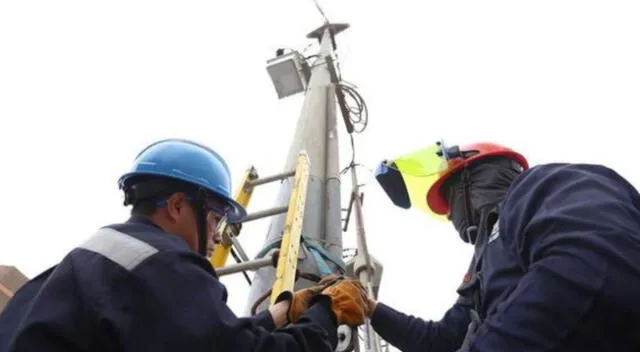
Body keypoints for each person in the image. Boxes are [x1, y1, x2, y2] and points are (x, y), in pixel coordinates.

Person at [0, 138, 369, 351]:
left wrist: (280, 312)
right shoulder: (163, 264)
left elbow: (204, 339)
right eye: (214, 219)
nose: (216, 236)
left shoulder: (93, 262)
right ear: (177, 205)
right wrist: (326, 311)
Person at [371, 140, 640, 351]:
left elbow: (596, 267)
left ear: (470, 182)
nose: (450, 216)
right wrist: (371, 310)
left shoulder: (538, 187)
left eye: (449, 202)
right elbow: (441, 340)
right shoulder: (480, 269)